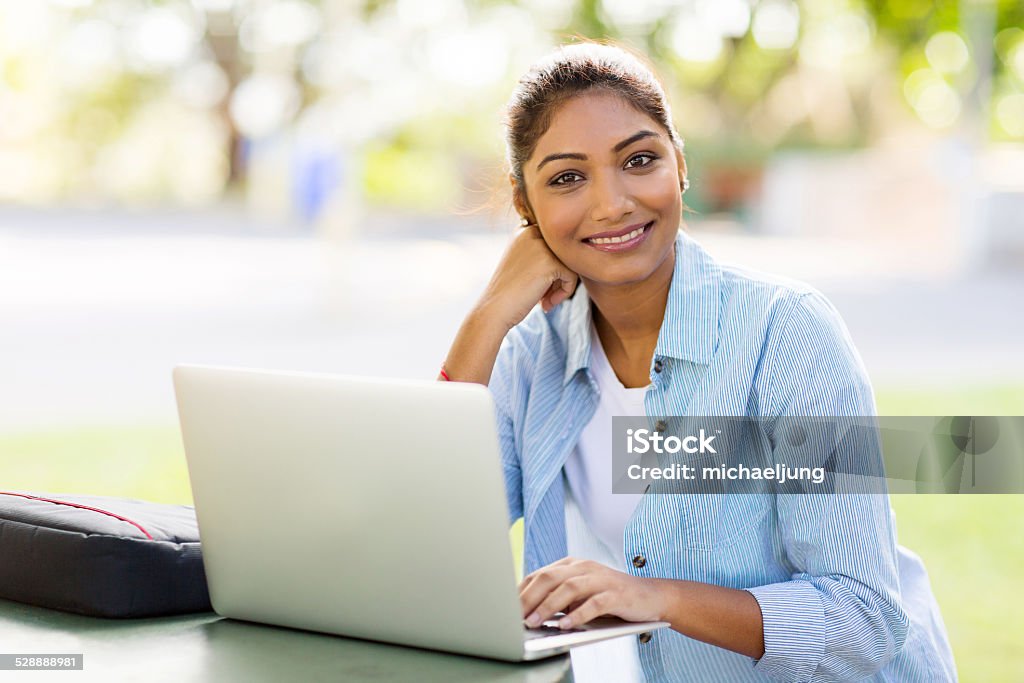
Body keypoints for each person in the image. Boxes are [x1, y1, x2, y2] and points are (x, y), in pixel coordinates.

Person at [440, 42, 956, 682]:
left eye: (639, 160)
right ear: (524, 205)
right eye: (568, 177)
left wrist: (655, 599)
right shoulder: (534, 351)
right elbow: (429, 537)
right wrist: (488, 314)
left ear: (680, 165)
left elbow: (864, 617)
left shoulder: (784, 334)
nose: (613, 203)